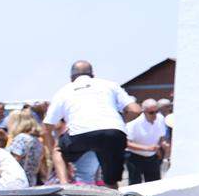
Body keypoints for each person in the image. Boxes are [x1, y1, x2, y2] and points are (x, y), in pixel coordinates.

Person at [47, 60, 137, 189]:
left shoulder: (64, 90)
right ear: (93, 75)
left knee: (58, 150)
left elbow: (48, 125)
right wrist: (121, 124)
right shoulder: (110, 84)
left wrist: (51, 145)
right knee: (111, 181)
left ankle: (64, 185)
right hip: (113, 132)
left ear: (71, 78)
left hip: (80, 134)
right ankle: (114, 194)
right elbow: (135, 110)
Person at [125, 100, 171, 185]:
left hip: (152, 156)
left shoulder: (160, 118)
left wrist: (162, 144)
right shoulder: (133, 125)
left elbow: (161, 136)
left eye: (157, 111)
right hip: (135, 157)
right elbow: (127, 143)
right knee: (135, 184)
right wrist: (147, 148)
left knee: (154, 184)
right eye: (151, 112)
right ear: (144, 112)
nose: (155, 115)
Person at [5, 110, 46, 187]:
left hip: (17, 182)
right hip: (31, 180)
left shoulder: (21, 138)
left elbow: (13, 161)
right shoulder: (36, 140)